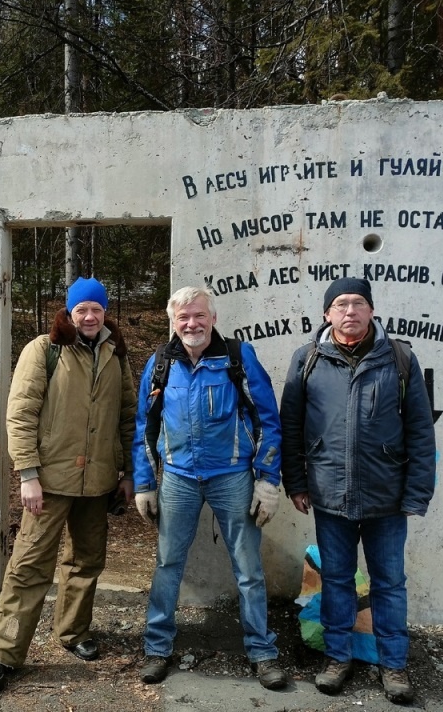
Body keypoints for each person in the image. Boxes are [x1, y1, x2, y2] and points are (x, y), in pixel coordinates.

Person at [0, 277, 137, 693]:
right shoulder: (43, 350)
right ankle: (3, 652)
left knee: (86, 562)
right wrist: (27, 475)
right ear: (68, 311)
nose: (89, 316)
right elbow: (21, 414)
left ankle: (73, 632)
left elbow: (128, 418)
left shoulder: (114, 353)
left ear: (105, 313)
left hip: (98, 482)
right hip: (48, 483)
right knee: (29, 566)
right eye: (81, 309)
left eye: (96, 309)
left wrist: (129, 473)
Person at [279, 277, 436, 704]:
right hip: (329, 494)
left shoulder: (399, 358)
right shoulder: (307, 359)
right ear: (327, 313)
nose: (350, 311)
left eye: (359, 304)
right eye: (342, 304)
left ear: (371, 311)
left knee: (389, 582)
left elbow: (420, 430)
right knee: (337, 579)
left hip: (387, 496)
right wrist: (295, 481)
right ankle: (337, 657)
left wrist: (417, 492)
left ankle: (394, 665)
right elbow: (289, 425)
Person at [131, 286, 286, 689]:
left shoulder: (237, 357)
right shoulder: (161, 362)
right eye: (182, 318)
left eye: (199, 316)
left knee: (248, 567)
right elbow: (144, 426)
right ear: (173, 321)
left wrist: (268, 480)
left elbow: (269, 420)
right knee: (167, 565)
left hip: (232, 476)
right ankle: (157, 648)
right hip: (179, 478)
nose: (191, 324)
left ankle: (262, 652)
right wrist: (145, 482)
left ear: (213, 318)